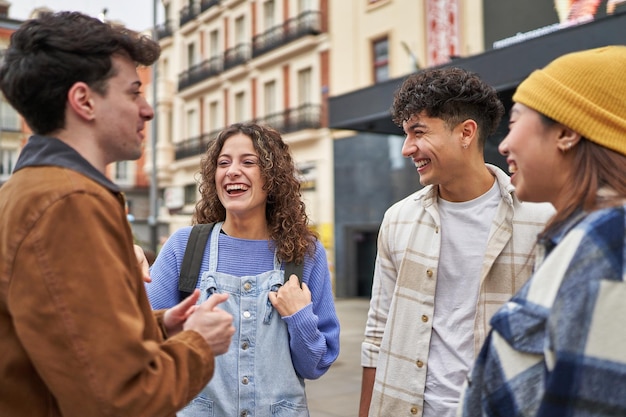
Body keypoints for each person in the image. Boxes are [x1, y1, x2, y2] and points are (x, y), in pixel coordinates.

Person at [0, 11, 235, 417]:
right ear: (84, 101)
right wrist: (197, 343)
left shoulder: (29, 190)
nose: (147, 110)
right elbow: (119, 400)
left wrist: (160, 327)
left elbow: (66, 342)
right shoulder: (69, 203)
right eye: (132, 93)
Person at [359, 67, 555, 417]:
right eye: (405, 135)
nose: (407, 149)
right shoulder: (398, 220)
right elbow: (377, 334)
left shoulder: (539, 217)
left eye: (418, 133)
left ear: (466, 132)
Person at [459, 46, 626, 417]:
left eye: (515, 122)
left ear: (566, 132)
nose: (502, 144)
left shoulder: (610, 244)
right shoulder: (591, 237)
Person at [146, 122, 341, 416]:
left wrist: (299, 316)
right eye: (223, 163)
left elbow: (315, 365)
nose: (232, 171)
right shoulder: (184, 247)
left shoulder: (304, 254)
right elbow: (144, 336)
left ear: (273, 177)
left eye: (248, 162)